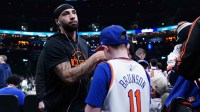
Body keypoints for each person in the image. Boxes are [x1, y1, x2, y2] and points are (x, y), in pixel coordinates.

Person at [35, 3, 106, 112]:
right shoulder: (53, 44)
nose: (72, 16)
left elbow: (86, 72)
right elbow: (68, 77)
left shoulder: (83, 43)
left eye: (74, 13)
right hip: (58, 107)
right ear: (57, 21)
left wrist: (99, 65)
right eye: (66, 14)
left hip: (81, 106)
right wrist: (95, 58)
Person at [85, 25, 150, 112]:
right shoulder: (143, 70)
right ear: (127, 46)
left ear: (106, 48)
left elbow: (91, 110)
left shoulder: (104, 68)